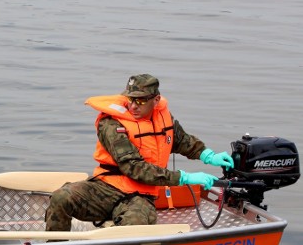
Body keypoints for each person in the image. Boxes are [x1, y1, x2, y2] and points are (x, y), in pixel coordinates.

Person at [45, 74, 234, 231]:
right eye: (131, 99)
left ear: (156, 100)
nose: (134, 106)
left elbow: (182, 141)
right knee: (62, 197)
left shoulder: (164, 118)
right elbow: (133, 167)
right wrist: (184, 178)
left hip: (140, 195)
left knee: (134, 226)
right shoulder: (111, 123)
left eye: (141, 100)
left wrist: (209, 156)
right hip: (107, 188)